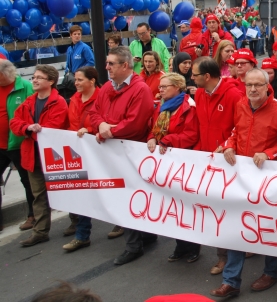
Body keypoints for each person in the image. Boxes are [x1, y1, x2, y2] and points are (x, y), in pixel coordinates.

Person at [211, 68, 277, 298]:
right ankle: (231, 281)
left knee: (267, 227)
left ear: (268, 86)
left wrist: (269, 153)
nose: (253, 89)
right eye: (249, 85)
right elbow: (236, 131)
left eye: (258, 85)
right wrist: (228, 144)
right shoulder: (241, 105)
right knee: (237, 227)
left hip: (268, 181)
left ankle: (271, 272)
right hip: (242, 179)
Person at [89, 47, 156, 265]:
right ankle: (145, 236)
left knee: (130, 198)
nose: (106, 67)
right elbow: (94, 112)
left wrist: (109, 131)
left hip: (130, 153)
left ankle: (134, 246)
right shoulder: (107, 87)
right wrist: (100, 124)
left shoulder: (141, 89)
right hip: (111, 151)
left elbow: (135, 124)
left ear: (125, 65)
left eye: (111, 64)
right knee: (123, 196)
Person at [191, 56, 244, 275]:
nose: (191, 77)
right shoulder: (200, 94)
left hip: (229, 163)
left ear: (206, 76)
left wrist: (226, 146)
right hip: (207, 162)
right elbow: (200, 127)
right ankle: (222, 255)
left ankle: (230, 256)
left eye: (194, 74)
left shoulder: (233, 95)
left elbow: (240, 127)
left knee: (227, 213)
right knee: (213, 212)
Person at [144, 73, 201, 262]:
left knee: (187, 207)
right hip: (166, 163)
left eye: (164, 86)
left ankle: (193, 248)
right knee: (173, 207)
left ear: (177, 87)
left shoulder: (188, 107)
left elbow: (191, 135)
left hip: (183, 164)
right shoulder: (161, 107)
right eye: (159, 87)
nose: (160, 90)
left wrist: (167, 140)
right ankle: (180, 246)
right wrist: (152, 137)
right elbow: (154, 129)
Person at [10, 65, 69, 247]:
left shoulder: (58, 102)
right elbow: (15, 122)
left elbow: (53, 128)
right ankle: (40, 231)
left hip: (53, 156)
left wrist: (31, 130)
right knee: (39, 195)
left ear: (51, 81)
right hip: (33, 156)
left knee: (66, 192)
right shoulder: (29, 102)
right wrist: (27, 128)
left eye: (39, 78)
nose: (34, 80)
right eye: (34, 77)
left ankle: (77, 223)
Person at [61, 66, 100, 252]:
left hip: (99, 153)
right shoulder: (74, 99)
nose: (75, 83)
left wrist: (91, 130)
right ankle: (82, 235)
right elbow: (71, 124)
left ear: (91, 81)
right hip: (78, 152)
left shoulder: (101, 98)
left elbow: (105, 120)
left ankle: (121, 224)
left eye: (79, 80)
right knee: (82, 191)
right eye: (75, 80)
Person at [0, 61, 35, 233]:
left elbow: (34, 111)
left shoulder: (25, 87)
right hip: (0, 144)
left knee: (27, 180)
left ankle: (33, 215)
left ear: (6, 74)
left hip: (19, 143)